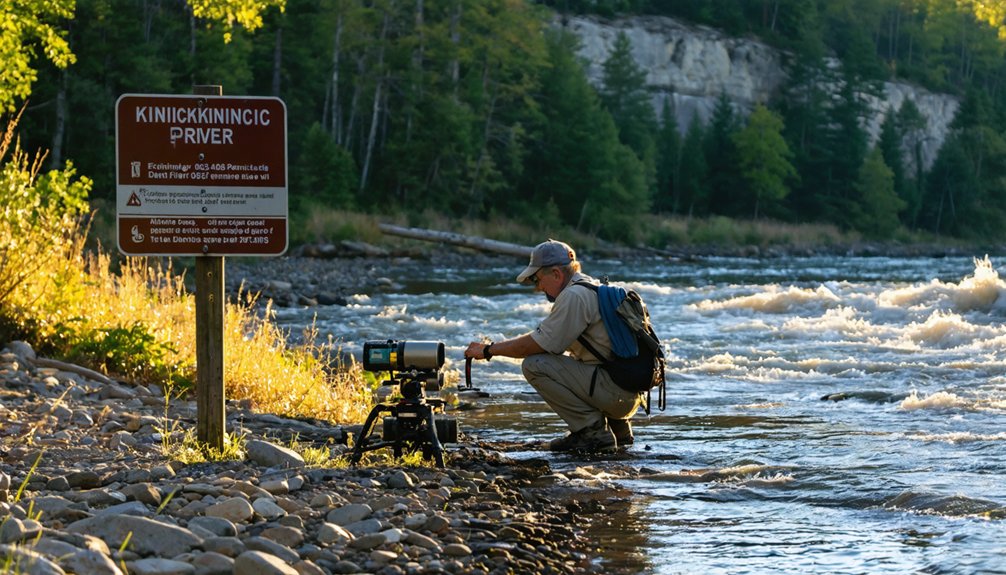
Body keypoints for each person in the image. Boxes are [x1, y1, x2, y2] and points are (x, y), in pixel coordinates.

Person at [464, 239, 643, 453]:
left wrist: (487, 350)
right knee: (579, 361)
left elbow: (533, 346)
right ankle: (619, 431)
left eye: (537, 279)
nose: (538, 287)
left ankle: (591, 432)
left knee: (535, 365)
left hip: (616, 396)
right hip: (628, 396)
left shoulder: (574, 296)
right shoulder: (593, 286)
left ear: (556, 274)